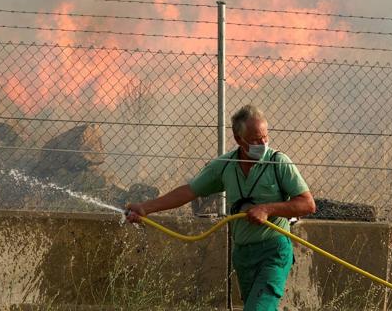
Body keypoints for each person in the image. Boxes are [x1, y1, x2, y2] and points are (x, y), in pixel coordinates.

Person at [126, 104, 316, 311]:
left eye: (265, 137)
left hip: (274, 250)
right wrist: (145, 208)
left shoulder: (278, 162)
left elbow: (307, 204)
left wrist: (267, 209)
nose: (262, 143)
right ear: (238, 139)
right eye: (254, 139)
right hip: (243, 254)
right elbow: (189, 191)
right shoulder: (224, 165)